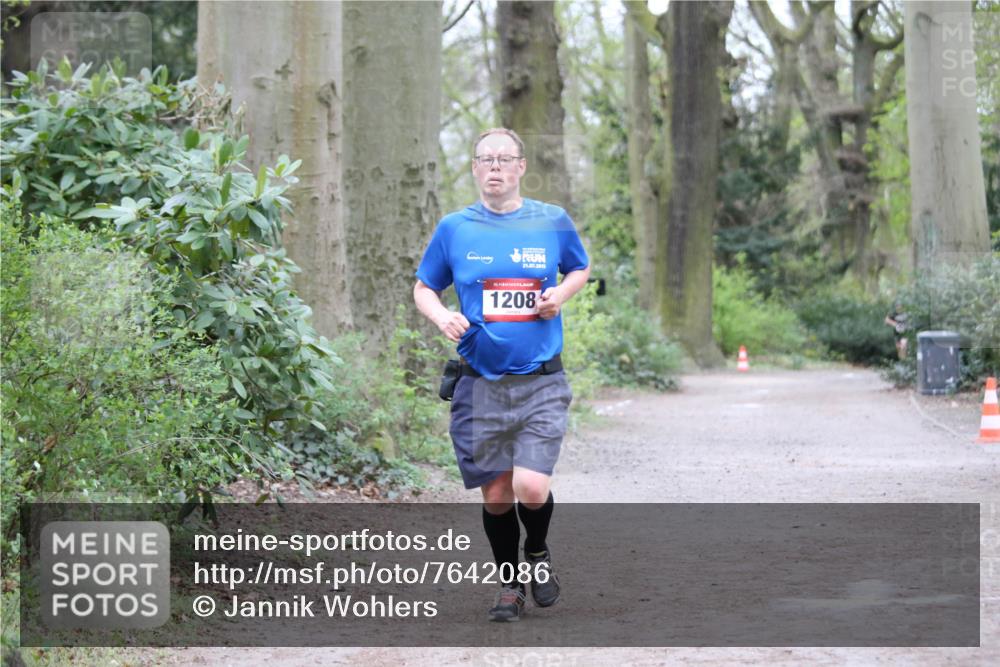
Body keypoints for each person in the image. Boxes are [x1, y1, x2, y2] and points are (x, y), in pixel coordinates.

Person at [413, 128, 590, 622]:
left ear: (521, 167)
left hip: (541, 380)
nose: (494, 166)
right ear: (474, 168)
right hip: (479, 383)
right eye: (485, 159)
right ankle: (510, 585)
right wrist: (441, 316)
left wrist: (560, 296)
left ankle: (537, 552)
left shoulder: (551, 220)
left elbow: (579, 268)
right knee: (495, 495)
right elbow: (424, 287)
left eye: (504, 158)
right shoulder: (454, 228)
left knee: (530, 488)